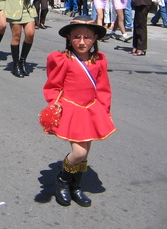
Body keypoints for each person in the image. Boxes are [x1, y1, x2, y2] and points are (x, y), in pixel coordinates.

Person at [43, 15, 116, 207]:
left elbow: (103, 88)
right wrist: (54, 101)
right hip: (71, 110)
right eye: (76, 37)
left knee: (85, 153)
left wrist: (104, 111)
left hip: (91, 110)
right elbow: (53, 85)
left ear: (95, 38)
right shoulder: (63, 60)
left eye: (87, 37)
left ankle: (76, 187)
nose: (82, 42)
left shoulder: (99, 60)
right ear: (69, 38)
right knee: (79, 152)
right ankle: (62, 181)